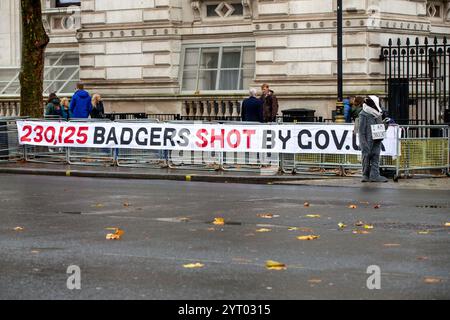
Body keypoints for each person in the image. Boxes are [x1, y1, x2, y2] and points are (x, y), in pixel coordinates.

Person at [358, 95, 390, 183]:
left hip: (377, 139)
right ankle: (365, 175)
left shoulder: (378, 114)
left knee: (376, 156)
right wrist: (363, 143)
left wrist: (386, 124)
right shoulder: (363, 114)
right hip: (367, 140)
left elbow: (381, 128)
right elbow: (361, 130)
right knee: (366, 157)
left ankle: (374, 175)